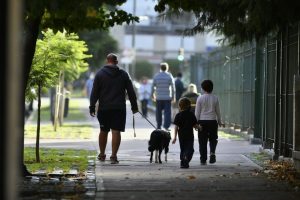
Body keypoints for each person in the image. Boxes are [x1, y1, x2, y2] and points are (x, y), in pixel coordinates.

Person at [89, 53, 138, 164]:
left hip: (104, 108)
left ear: (107, 61)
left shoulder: (100, 74)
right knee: (116, 131)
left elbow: (94, 92)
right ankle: (114, 156)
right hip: (119, 108)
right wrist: (134, 107)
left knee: (103, 130)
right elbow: (131, 92)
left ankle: (102, 155)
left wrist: (92, 106)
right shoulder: (124, 74)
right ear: (116, 62)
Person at [195, 79, 224, 165]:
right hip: (212, 122)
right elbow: (218, 111)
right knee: (213, 139)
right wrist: (219, 121)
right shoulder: (215, 98)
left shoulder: (200, 98)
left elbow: (197, 112)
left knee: (202, 141)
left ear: (203, 89)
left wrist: (196, 123)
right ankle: (212, 153)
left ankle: (203, 159)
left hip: (202, 122)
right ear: (212, 88)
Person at [172, 97, 200, 168]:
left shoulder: (178, 115)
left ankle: (183, 162)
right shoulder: (191, 114)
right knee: (190, 149)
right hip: (189, 135)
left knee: (183, 148)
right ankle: (186, 159)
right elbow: (195, 125)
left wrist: (175, 137)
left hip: (181, 135)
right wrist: (200, 127)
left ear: (180, 106)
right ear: (189, 106)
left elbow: (176, 127)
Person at [151, 62, 175, 131]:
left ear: (160, 68)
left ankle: (159, 125)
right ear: (167, 68)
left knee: (158, 112)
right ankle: (166, 126)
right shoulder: (169, 76)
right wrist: (173, 96)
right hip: (167, 97)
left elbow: (153, 87)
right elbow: (173, 87)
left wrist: (152, 95)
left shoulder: (156, 76)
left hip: (158, 97)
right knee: (167, 112)